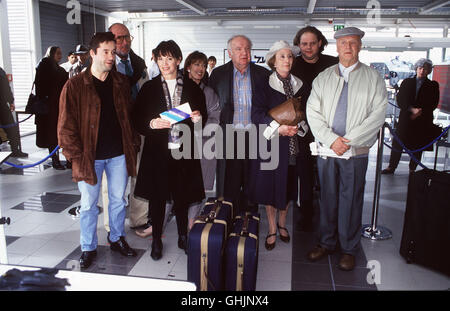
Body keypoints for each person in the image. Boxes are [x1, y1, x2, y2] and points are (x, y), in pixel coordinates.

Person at [306, 27, 387, 271]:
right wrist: (332, 140)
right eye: (343, 43)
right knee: (328, 196)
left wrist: (347, 141)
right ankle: (326, 242)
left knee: (351, 199)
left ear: (360, 46)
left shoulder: (373, 78)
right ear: (336, 47)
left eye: (353, 43)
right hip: (327, 150)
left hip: (355, 152)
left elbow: (378, 114)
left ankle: (348, 248)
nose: (348, 47)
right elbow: (313, 111)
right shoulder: (324, 77)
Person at [58, 32, 140, 269]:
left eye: (113, 52)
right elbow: (65, 126)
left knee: (117, 201)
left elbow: (129, 116)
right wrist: (75, 157)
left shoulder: (121, 83)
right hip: (88, 157)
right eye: (106, 51)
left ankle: (116, 238)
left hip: (118, 153)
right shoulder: (74, 86)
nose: (111, 56)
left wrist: (132, 142)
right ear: (92, 53)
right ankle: (88, 246)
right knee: (88, 205)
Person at [133, 40, 207, 261]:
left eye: (169, 58)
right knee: (157, 197)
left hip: (183, 150)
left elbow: (201, 114)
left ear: (178, 60)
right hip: (157, 152)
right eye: (160, 58)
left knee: (182, 196)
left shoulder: (192, 87)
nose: (165, 63)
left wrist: (197, 118)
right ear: (156, 59)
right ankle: (157, 239)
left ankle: (183, 235)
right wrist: (151, 124)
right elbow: (136, 117)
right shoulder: (149, 87)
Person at [248, 40, 308, 250]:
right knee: (270, 188)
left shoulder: (299, 84)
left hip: (293, 144)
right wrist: (278, 128)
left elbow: (304, 113)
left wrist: (299, 127)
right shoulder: (264, 84)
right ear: (274, 61)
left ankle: (283, 224)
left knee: (290, 186)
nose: (287, 60)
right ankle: (272, 227)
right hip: (272, 143)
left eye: (290, 56)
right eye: (282, 56)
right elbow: (256, 115)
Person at [209, 35, 270, 215]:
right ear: (229, 53)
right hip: (229, 135)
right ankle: (230, 218)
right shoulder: (218, 74)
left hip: (255, 134)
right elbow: (212, 105)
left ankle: (249, 221)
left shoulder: (263, 74)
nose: (244, 53)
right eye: (238, 49)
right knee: (230, 181)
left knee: (253, 179)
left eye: (247, 49)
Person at [290, 26, 339, 232]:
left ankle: (332, 216)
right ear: (298, 45)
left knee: (329, 172)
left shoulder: (333, 64)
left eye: (312, 43)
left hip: (329, 127)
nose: (308, 48)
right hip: (302, 128)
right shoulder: (293, 64)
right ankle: (307, 212)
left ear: (320, 43)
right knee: (304, 172)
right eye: (304, 44)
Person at [108, 22, 150, 237]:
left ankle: (139, 219)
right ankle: (110, 226)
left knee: (139, 174)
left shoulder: (139, 62)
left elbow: (146, 93)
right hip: (113, 130)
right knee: (113, 180)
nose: (124, 42)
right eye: (119, 38)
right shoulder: (102, 63)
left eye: (127, 37)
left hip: (137, 127)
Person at [381, 58, 440, 175]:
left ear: (429, 71)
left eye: (425, 69)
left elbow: (433, 102)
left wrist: (419, 112)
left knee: (418, 144)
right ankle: (391, 167)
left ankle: (412, 168)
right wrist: (412, 110)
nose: (422, 71)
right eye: (420, 68)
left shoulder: (433, 85)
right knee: (398, 142)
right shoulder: (407, 82)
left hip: (423, 120)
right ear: (416, 69)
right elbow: (401, 99)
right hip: (406, 119)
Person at [184, 51, 221, 229]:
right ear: (188, 67)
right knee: (179, 184)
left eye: (203, 65)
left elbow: (215, 117)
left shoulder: (209, 92)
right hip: (181, 144)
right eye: (197, 64)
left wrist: (200, 130)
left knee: (200, 186)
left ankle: (193, 221)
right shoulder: (178, 88)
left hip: (204, 144)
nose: (200, 69)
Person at [35, 46, 68, 170]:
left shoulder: (55, 68)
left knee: (58, 134)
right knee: (52, 136)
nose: (60, 56)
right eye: (58, 53)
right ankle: (55, 160)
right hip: (50, 110)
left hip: (56, 107)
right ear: (51, 54)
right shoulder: (46, 66)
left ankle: (61, 159)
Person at [0, 67, 28, 158]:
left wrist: (11, 101)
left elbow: (6, 88)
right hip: (3, 105)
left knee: (12, 129)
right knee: (11, 129)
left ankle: (15, 151)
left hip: (2, 105)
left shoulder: (0, 71)